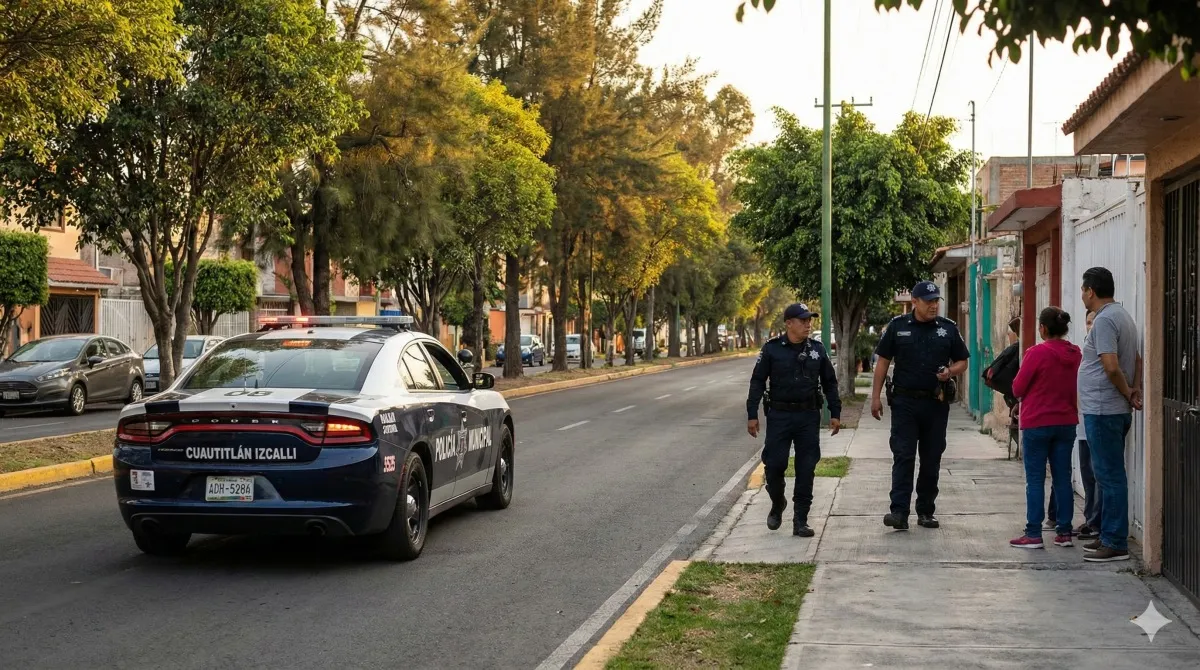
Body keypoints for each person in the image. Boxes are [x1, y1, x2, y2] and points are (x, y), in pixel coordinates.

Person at [870, 281, 970, 531]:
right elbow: (883, 362)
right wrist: (875, 397)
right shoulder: (897, 327)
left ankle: (925, 511)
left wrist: (950, 372)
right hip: (904, 402)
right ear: (914, 302)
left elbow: (962, 361)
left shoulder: (947, 329)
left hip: (935, 403)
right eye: (928, 301)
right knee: (903, 455)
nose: (934, 305)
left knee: (931, 458)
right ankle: (899, 512)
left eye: (936, 300)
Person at [747, 302, 841, 537]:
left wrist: (836, 412)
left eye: (810, 320)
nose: (808, 324)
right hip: (779, 415)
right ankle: (778, 503)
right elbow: (757, 380)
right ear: (789, 323)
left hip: (808, 416)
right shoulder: (772, 349)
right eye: (803, 320)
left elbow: (830, 381)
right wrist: (752, 414)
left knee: (806, 467)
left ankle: (801, 520)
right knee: (775, 464)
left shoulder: (818, 349)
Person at [1078, 267, 1142, 562]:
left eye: (1083, 290)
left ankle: (1115, 542)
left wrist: (1128, 391)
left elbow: (1111, 366)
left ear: (1090, 290)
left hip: (1104, 409)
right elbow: (1138, 358)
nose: (1082, 295)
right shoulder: (1123, 316)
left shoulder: (1104, 321)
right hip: (1110, 409)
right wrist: (1134, 388)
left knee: (1110, 476)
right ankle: (1107, 535)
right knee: (1108, 475)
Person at [1008, 307, 1082, 549]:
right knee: (1062, 478)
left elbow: (1018, 388)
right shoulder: (1075, 354)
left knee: (1036, 479)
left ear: (1043, 328)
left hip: (1037, 423)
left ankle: (1033, 533)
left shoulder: (1036, 353)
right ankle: (1064, 532)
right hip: (1066, 422)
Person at [1046, 309, 1100, 537]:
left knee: (1089, 474)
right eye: (1088, 321)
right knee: (1080, 474)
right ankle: (1065, 518)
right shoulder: (1080, 351)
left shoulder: (1088, 352)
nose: (1091, 326)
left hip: (1089, 417)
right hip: (1077, 420)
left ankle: (1089, 521)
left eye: (1094, 322)